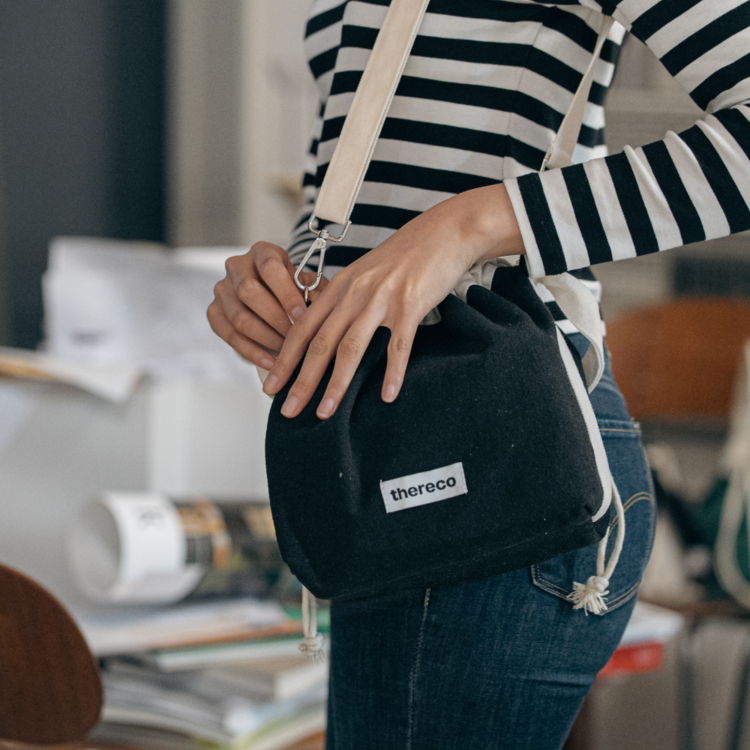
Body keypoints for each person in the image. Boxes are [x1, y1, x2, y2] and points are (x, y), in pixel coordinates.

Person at [208, 0, 750, 747]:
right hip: (393, 450)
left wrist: (469, 225)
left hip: (505, 450)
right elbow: (363, 180)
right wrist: (291, 280)